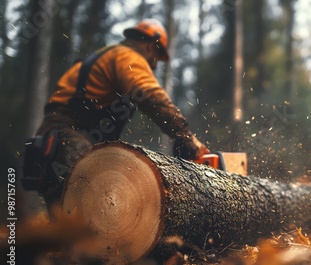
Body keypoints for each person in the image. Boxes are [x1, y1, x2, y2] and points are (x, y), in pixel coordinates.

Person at [22, 19, 209, 206]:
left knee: (71, 211)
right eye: (156, 59)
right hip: (67, 133)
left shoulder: (112, 55)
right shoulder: (128, 57)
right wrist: (186, 136)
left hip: (65, 132)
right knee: (93, 197)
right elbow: (151, 96)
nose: (154, 66)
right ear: (151, 47)